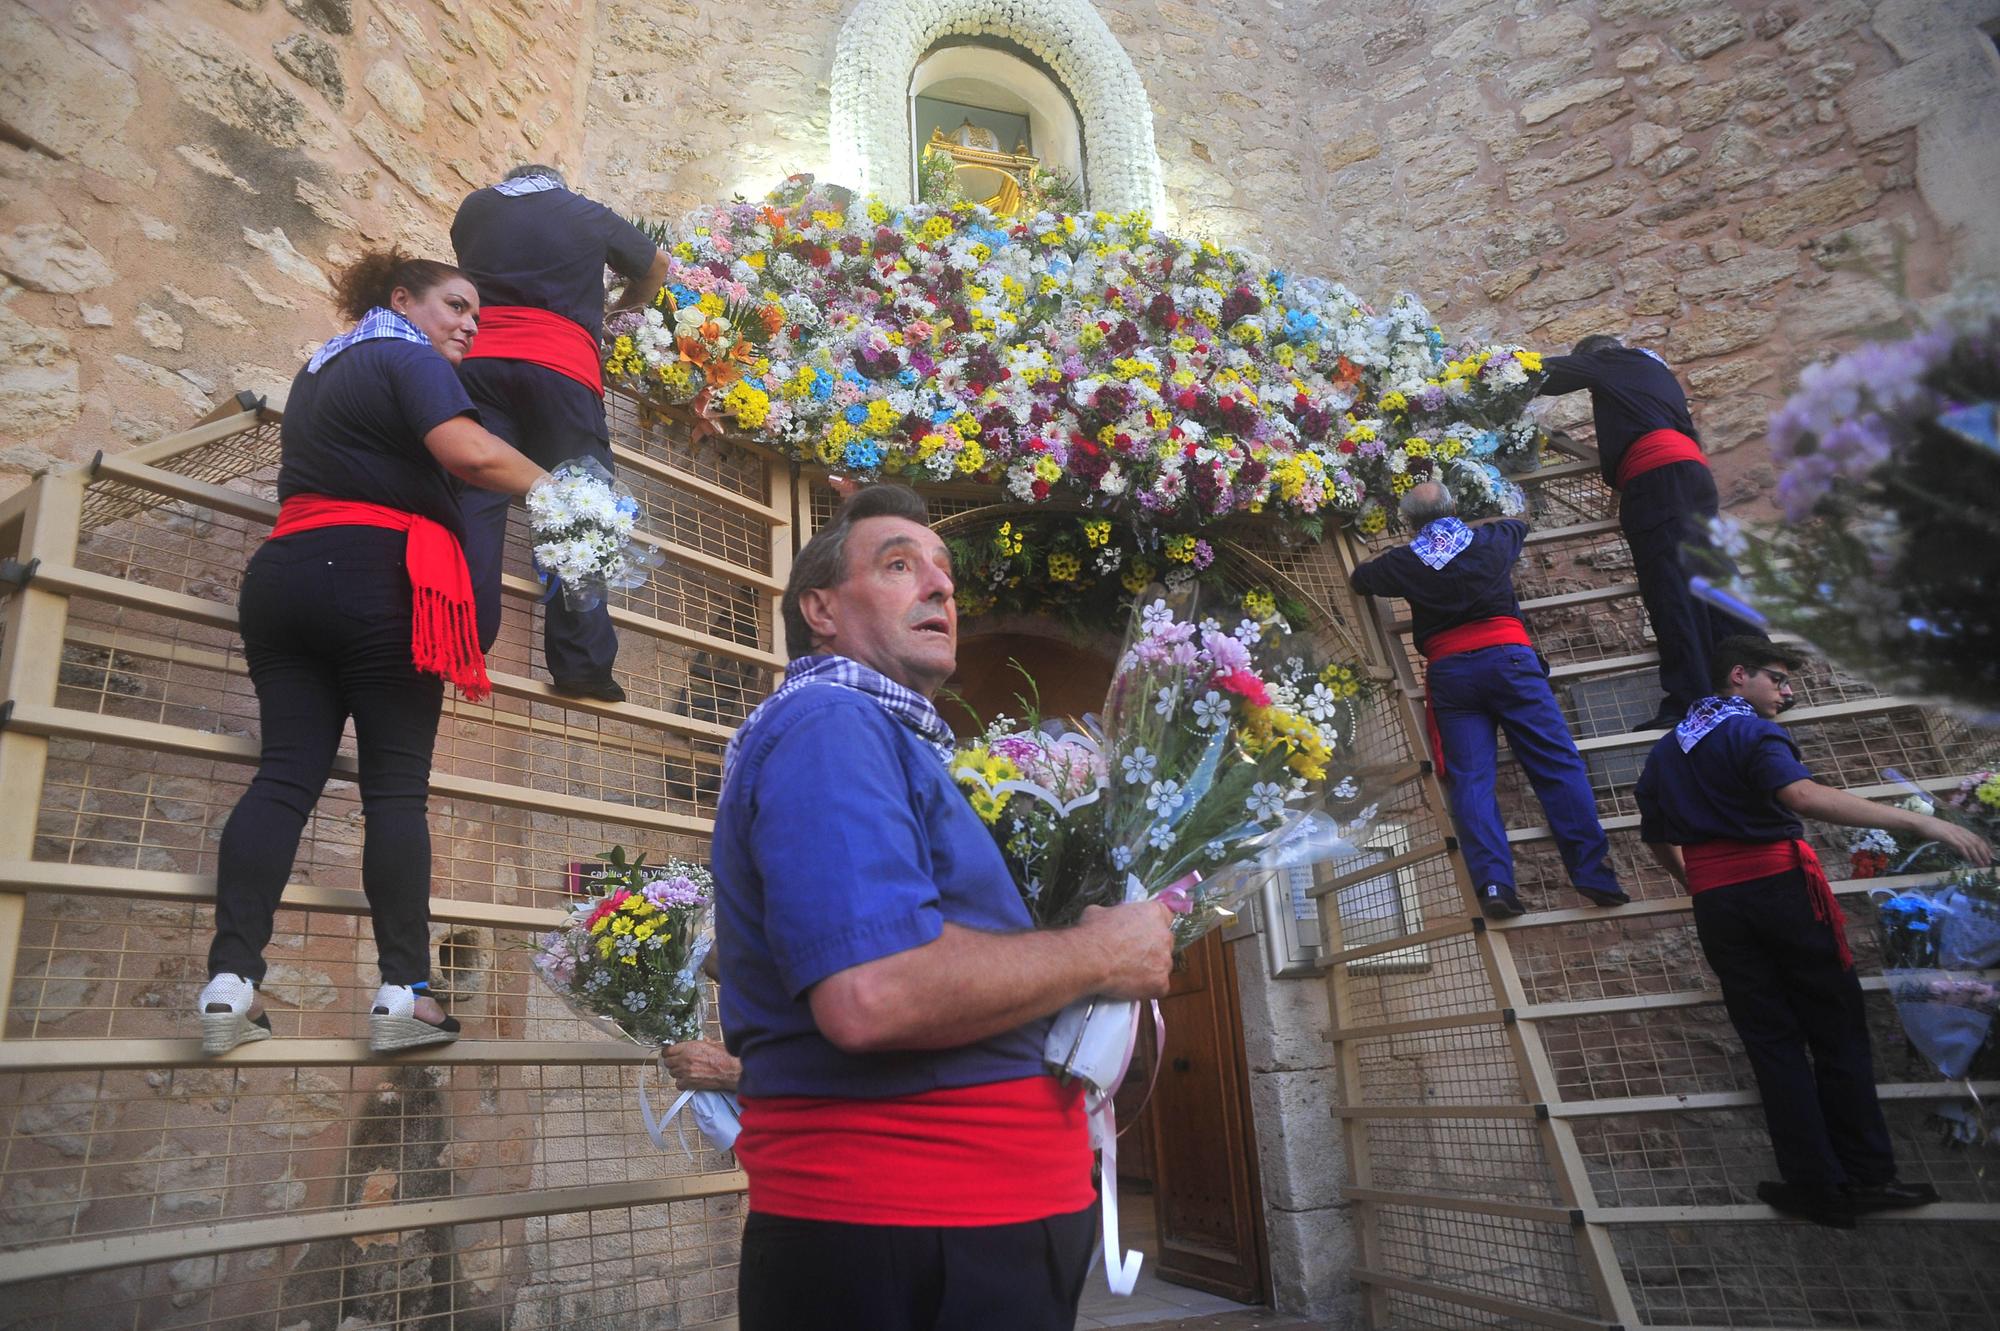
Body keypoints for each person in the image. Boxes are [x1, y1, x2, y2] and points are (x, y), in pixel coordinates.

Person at [712, 483, 1175, 1331]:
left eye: (946, 574)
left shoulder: (886, 738)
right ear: (820, 607)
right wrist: (1102, 954)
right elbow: (872, 992)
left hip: (955, 1230)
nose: (940, 588)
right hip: (914, 1238)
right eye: (898, 566)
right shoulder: (831, 724)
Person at [198, 250, 550, 1056]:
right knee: (395, 793)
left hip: (285, 574)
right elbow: (474, 454)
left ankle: (229, 981)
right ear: (401, 298)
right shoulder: (406, 356)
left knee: (284, 775)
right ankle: (403, 994)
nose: (468, 324)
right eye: (457, 305)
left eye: (477, 317)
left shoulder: (319, 371)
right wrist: (573, 496)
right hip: (379, 580)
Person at [1635, 636, 1992, 1227]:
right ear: (1738, 675)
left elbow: (1654, 838)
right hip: (1780, 891)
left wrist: (1698, 881)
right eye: (1778, 678)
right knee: (1837, 1033)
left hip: (1718, 902)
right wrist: (1922, 822)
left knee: (1771, 1043)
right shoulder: (1750, 729)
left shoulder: (1667, 750)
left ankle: (1814, 1185)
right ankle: (1869, 1175)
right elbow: (1799, 795)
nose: (1787, 691)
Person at [1351, 482, 1628, 920]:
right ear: (1454, 507)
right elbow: (1518, 521)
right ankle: (1594, 874)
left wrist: (1411, 544)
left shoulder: (1406, 561)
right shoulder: (1493, 540)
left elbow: (1362, 577)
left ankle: (1495, 883)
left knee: (1472, 780)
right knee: (1558, 766)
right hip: (1510, 662)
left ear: (1409, 523)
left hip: (1451, 674)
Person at [452, 163, 670, 702]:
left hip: (480, 363)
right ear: (557, 184)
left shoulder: (475, 208)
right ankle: (581, 664)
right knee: (578, 503)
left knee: (476, 490)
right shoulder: (585, 213)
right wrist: (625, 307)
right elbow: (657, 264)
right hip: (562, 368)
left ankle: (460, 638)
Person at [1537, 334, 1758, 729]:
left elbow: (1543, 374)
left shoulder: (1612, 359)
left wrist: (1487, 372)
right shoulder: (1656, 371)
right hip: (1688, 476)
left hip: (1658, 482)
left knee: (1669, 590)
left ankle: (1691, 701)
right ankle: (1757, 678)